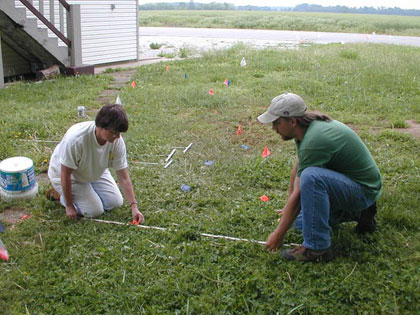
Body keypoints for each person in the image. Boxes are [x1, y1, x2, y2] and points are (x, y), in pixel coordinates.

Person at [257, 93, 382, 262]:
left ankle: (317, 248)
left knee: (312, 177)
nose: (274, 128)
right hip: (350, 183)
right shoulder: (308, 128)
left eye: (276, 122)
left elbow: (302, 190)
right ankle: (360, 213)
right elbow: (299, 165)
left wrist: (278, 235)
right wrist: (288, 205)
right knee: (301, 224)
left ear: (292, 121)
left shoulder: (314, 140)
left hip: (363, 189)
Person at [47, 104, 144, 223]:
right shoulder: (76, 139)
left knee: (115, 202)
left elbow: (123, 176)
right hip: (69, 176)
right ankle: (60, 195)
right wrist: (69, 205)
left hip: (94, 170)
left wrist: (134, 206)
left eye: (119, 133)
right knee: (94, 211)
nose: (118, 137)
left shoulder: (116, 141)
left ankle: (87, 189)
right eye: (114, 132)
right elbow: (65, 174)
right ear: (100, 126)